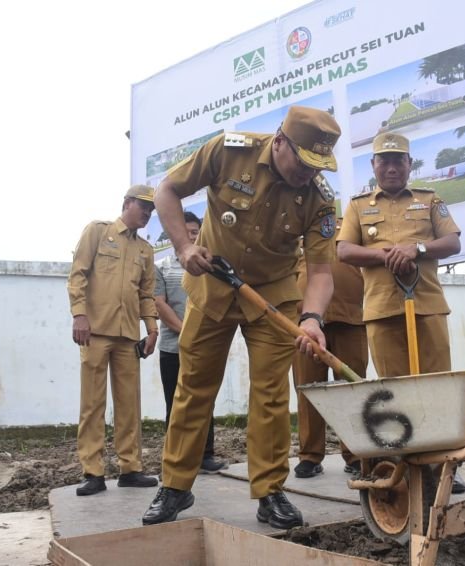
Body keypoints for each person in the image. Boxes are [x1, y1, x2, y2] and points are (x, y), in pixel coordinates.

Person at [142, 106, 341, 529]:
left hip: (274, 298)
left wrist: (311, 318)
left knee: (270, 396)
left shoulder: (320, 198)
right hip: (213, 287)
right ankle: (176, 485)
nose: (309, 172)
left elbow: (322, 272)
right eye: (303, 161)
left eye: (318, 165)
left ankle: (270, 492)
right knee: (193, 386)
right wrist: (183, 246)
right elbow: (167, 191)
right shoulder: (230, 151)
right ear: (281, 141)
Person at [337, 132, 465, 493]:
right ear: (374, 166)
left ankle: (442, 466)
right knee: (393, 392)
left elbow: (452, 242)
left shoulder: (430, 200)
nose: (392, 167)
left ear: (410, 165)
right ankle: (407, 467)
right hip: (381, 310)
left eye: (399, 161)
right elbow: (345, 251)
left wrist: (417, 248)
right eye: (385, 161)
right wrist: (385, 255)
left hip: (427, 307)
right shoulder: (358, 206)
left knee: (436, 388)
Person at [67, 185, 160, 496]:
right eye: (143, 206)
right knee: (92, 403)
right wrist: (79, 315)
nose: (147, 213)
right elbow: (78, 274)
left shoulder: (146, 251)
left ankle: (130, 467)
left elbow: (146, 294)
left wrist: (152, 328)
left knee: (129, 404)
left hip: (128, 336)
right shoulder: (98, 232)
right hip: (94, 331)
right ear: (127, 203)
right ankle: (92, 471)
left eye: (152, 209)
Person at [154, 210, 227, 475]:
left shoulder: (208, 266)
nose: (193, 236)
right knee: (175, 404)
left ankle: (205, 455)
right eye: (188, 232)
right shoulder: (162, 267)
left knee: (205, 400)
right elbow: (159, 303)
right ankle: (175, 459)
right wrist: (187, 331)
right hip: (172, 348)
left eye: (196, 232)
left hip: (203, 346)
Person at [292, 238, 368, 479]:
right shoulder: (292, 231)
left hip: (351, 319)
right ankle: (310, 455)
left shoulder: (347, 230)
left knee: (353, 388)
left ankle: (356, 454)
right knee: (308, 390)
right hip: (304, 324)